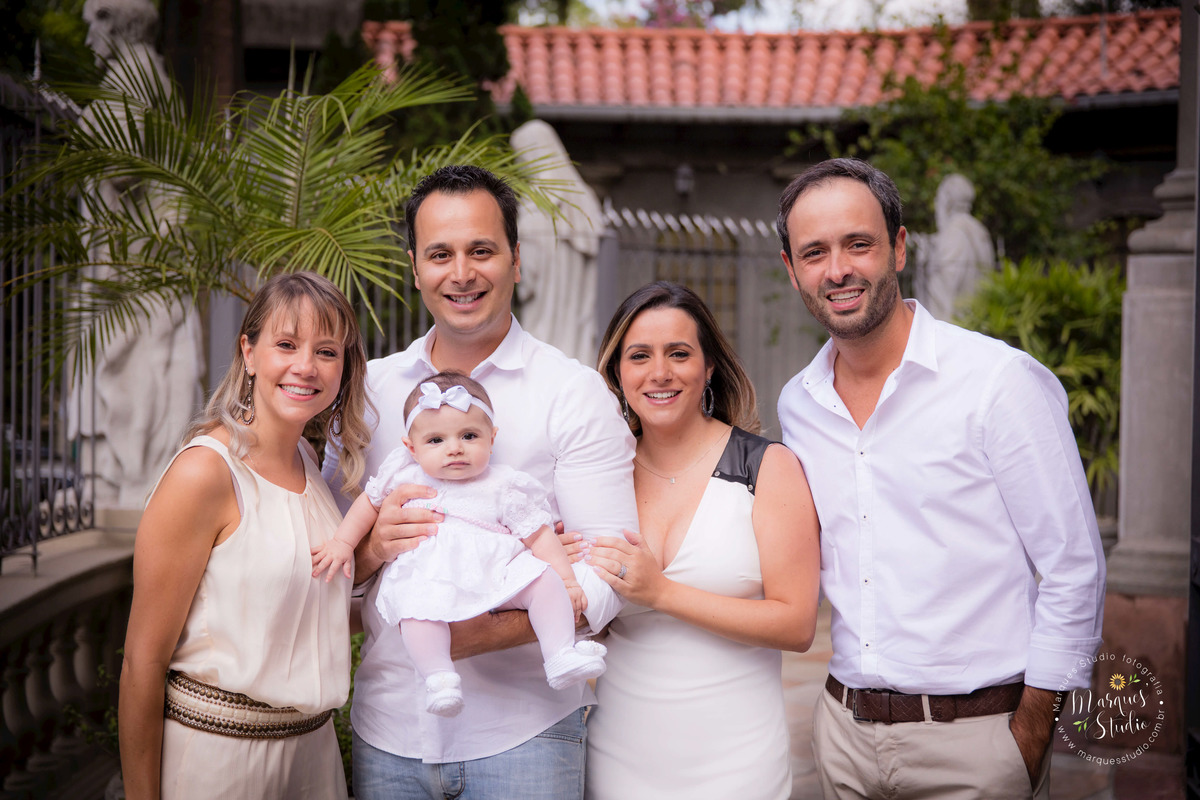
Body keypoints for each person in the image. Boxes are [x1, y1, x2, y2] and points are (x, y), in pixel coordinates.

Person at [775, 157, 1106, 799]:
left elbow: (1073, 566)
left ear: (898, 248)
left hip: (978, 745)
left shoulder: (997, 383)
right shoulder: (800, 403)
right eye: (814, 252)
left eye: (858, 243)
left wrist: (1030, 733)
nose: (837, 269)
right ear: (792, 271)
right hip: (843, 738)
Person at [321, 165, 638, 800]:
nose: (461, 273)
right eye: (440, 254)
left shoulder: (570, 394)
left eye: (482, 251)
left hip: (527, 737)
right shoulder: (370, 394)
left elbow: (614, 572)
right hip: (390, 732)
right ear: (415, 267)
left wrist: (476, 632)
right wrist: (374, 548)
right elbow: (325, 560)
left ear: (517, 260)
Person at [117, 272, 371, 800]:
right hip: (219, 761)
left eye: (327, 351)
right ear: (248, 352)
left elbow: (298, 606)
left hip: (315, 759)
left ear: (344, 369)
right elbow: (143, 661)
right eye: (286, 344)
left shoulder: (309, 463)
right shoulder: (205, 474)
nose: (306, 366)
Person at [577, 281, 821, 800]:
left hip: (737, 761)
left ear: (709, 366)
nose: (659, 372)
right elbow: (585, 622)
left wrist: (661, 593)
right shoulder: (599, 474)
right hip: (619, 756)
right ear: (618, 372)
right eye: (639, 355)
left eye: (679, 354)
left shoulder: (766, 466)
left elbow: (797, 623)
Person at [312, 371, 606, 718]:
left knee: (544, 582)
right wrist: (343, 543)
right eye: (436, 440)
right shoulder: (403, 475)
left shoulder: (503, 484)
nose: (454, 448)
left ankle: (559, 654)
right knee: (417, 612)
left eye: (469, 436)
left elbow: (539, 535)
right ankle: (439, 678)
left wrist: (567, 579)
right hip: (432, 578)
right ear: (411, 447)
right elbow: (368, 504)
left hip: (497, 572)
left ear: (492, 438)